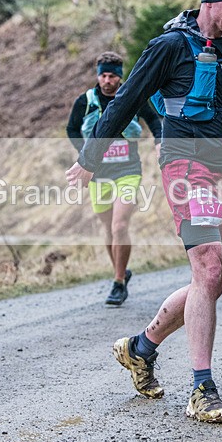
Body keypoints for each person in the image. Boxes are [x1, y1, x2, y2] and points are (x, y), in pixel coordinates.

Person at [65, 0, 222, 423]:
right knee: (208, 267)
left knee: (210, 283)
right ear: (211, 1)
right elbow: (126, 101)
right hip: (185, 165)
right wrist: (88, 160)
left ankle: (140, 348)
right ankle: (202, 388)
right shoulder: (171, 46)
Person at [66, 52, 162, 306]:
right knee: (108, 230)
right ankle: (121, 270)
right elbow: (72, 129)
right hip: (98, 175)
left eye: (112, 75)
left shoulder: (132, 97)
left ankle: (118, 282)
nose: (106, 80)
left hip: (128, 171)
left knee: (120, 226)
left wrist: (160, 141)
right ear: (98, 75)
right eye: (103, 75)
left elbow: (154, 120)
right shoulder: (85, 101)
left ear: (120, 76)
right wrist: (85, 154)